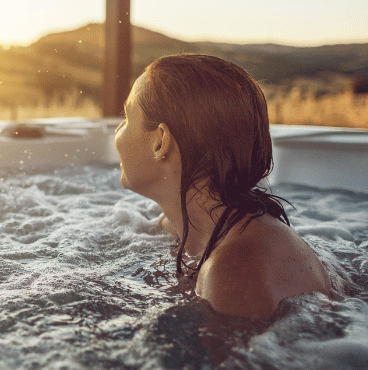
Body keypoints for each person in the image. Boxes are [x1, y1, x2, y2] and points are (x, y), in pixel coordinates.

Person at [114, 54, 330, 319]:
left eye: (126, 117)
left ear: (160, 141)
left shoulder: (235, 273)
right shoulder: (180, 226)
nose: (117, 133)